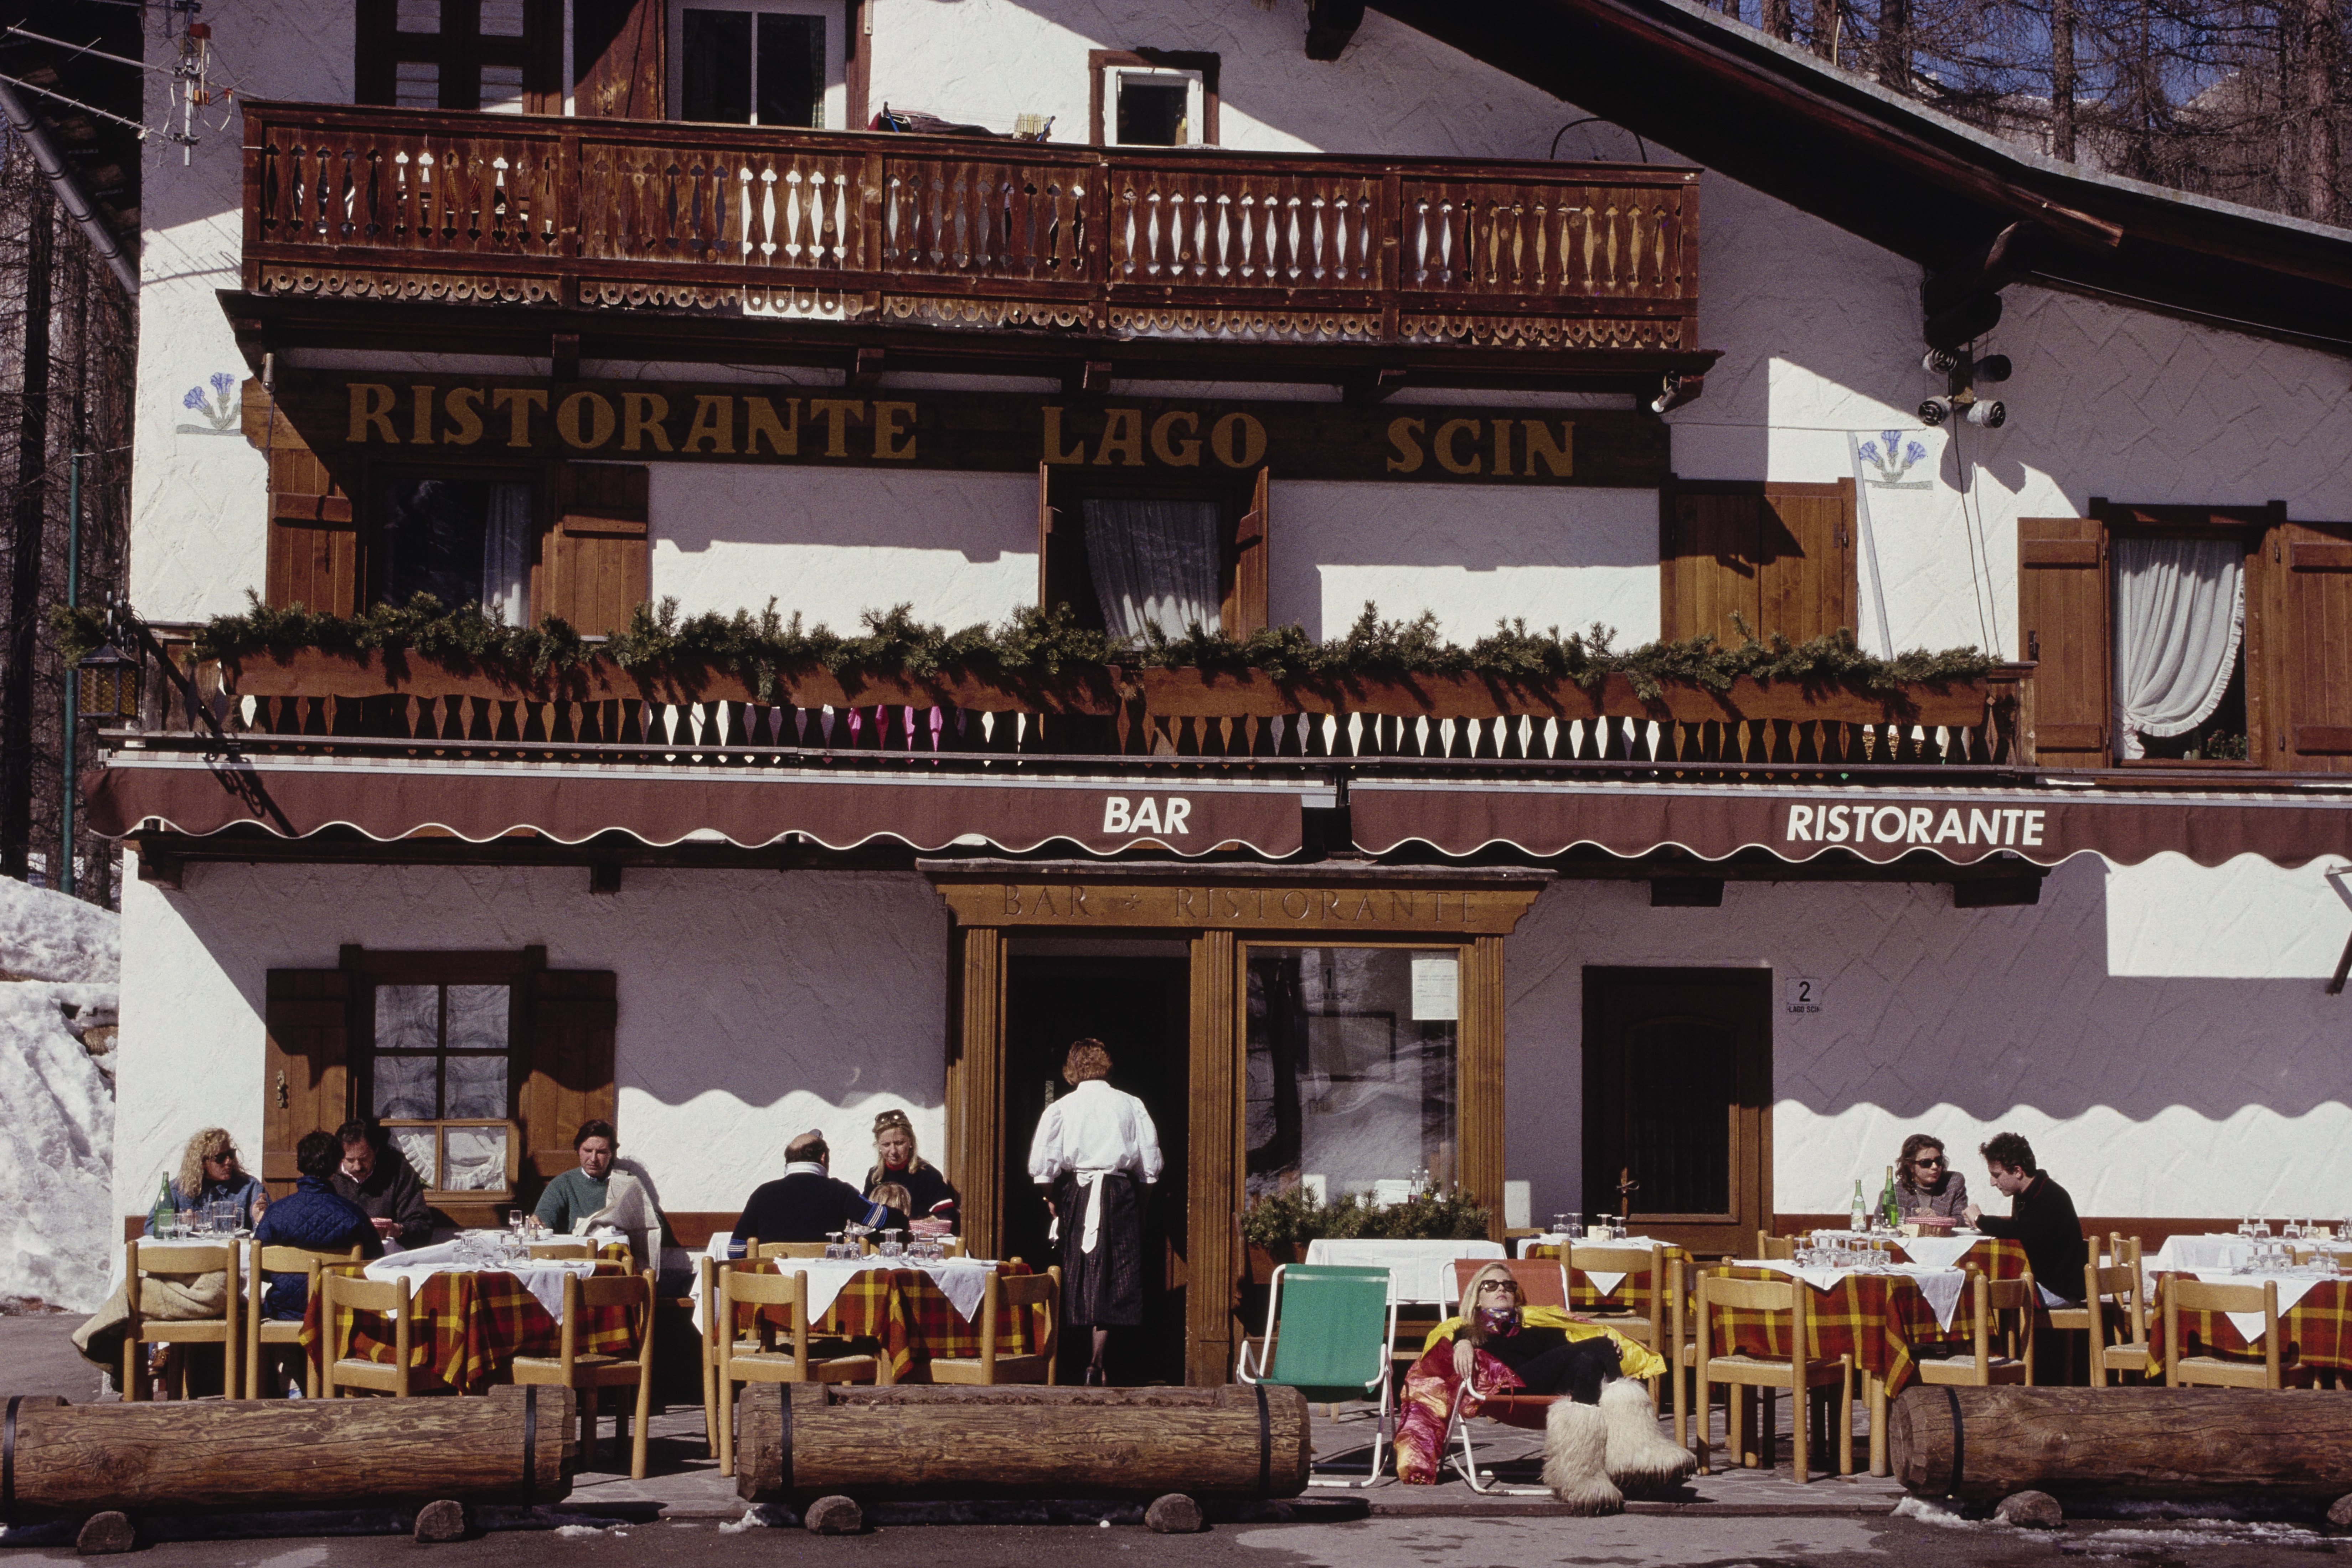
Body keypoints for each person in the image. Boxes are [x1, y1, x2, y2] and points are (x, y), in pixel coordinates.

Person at [1391, 1264, 1665, 1485]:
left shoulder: (1541, 1329)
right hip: (1509, 1390)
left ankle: (1580, 1471)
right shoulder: (1467, 1332)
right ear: (1477, 1297)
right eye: (1491, 1285)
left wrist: (1605, 1350)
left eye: (1509, 1286)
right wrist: (1461, 1343)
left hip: (1551, 1392)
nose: (1502, 1289)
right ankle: (1633, 1448)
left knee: (1592, 1358)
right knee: (1600, 1346)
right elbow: (1439, 1350)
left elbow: (1572, 1356)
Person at [1026, 1038, 1162, 1386]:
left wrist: (1052, 1198)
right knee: (1116, 1276)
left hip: (1080, 1192)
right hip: (1120, 1194)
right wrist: (1142, 1209)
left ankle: (1092, 1362)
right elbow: (1149, 1168)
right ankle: (1098, 1361)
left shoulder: (1062, 1107)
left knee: (1084, 1273)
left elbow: (1043, 1165)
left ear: (1072, 1069)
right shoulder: (1130, 1104)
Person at [253, 1129, 379, 1322]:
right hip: (337, 1310)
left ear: (298, 1165)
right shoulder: (354, 1215)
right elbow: (373, 1264)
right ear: (338, 1165)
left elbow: (260, 1269)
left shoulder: (275, 1213)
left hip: (285, 1311)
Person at [1964, 1131, 2087, 1304]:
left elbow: (2020, 1231)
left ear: (2018, 1171)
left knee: (1980, 1297)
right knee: (1980, 1291)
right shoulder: (2027, 1194)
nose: (1992, 1182)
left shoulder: (2049, 1196)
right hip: (2045, 1283)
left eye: (1997, 1175)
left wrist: (1980, 1220)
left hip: (2059, 1291)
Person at [730, 1131, 903, 1247]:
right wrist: (902, 1218)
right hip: (828, 1294)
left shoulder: (762, 1193)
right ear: (823, 1158)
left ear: (789, 1160)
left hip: (774, 1294)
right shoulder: (839, 1191)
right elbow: (881, 1220)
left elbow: (735, 1250)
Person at [331, 1119, 434, 1249]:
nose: (358, 1167)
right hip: (340, 1253)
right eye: (350, 1160)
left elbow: (423, 1227)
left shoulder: (398, 1171)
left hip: (385, 1256)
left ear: (376, 1150)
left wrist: (398, 1230)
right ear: (341, 1156)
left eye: (364, 1159)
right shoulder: (329, 1174)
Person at [144, 1128, 269, 1234]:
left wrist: (260, 1221)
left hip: (231, 1260)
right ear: (202, 1162)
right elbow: (151, 1228)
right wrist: (179, 1223)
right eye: (219, 1158)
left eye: (231, 1154)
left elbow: (271, 1232)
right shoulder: (178, 1189)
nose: (229, 1161)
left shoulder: (250, 1188)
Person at [863, 1108, 959, 1235]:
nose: (893, 1151)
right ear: (879, 1146)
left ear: (911, 1142)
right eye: (886, 1145)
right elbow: (864, 1214)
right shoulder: (875, 1176)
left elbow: (946, 1218)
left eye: (900, 1143)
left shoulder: (928, 1175)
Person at [536, 1119, 618, 1233]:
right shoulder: (563, 1184)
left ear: (611, 1153)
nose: (593, 1159)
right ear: (578, 1150)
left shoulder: (623, 1182)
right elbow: (544, 1219)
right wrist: (539, 1224)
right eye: (588, 1151)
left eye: (601, 1152)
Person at [1892, 1133, 1970, 1222]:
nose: (1935, 1167)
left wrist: (1937, 1220)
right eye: (1926, 1163)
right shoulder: (1896, 1194)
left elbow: (1962, 1220)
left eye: (1939, 1161)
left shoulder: (1953, 1183)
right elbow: (1883, 1223)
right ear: (1911, 1167)